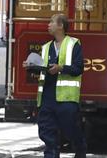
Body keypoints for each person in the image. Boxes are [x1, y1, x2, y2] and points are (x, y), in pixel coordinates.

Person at [36, 14, 86, 158]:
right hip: (47, 97)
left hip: (67, 98)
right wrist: (31, 66)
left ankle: (80, 147)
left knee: (70, 129)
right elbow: (42, 69)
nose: (48, 24)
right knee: (46, 131)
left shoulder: (74, 44)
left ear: (61, 26)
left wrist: (61, 68)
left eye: (51, 22)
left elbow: (78, 68)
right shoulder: (45, 47)